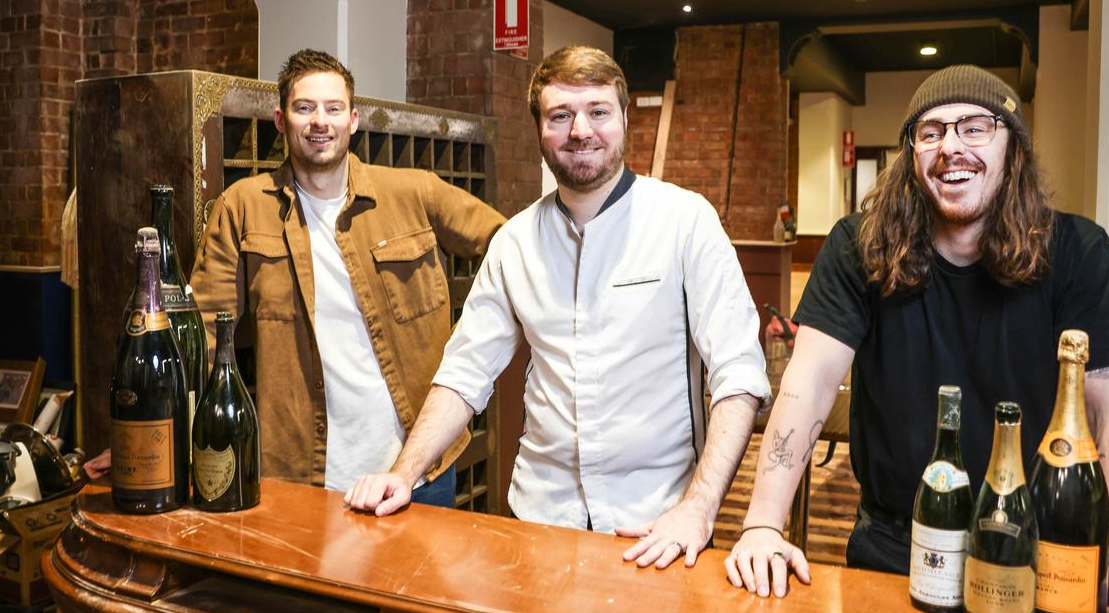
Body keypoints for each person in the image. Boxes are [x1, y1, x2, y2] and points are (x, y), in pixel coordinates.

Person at [727, 65, 1109, 613]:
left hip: (1034, 560)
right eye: (929, 132)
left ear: (1013, 146)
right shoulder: (858, 245)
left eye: (974, 127)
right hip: (893, 548)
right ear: (911, 155)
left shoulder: (1079, 253)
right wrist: (763, 525)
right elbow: (807, 387)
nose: (950, 146)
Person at [346, 46, 771, 569]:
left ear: (622, 118)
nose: (581, 131)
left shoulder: (686, 222)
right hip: (540, 521)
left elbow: (738, 375)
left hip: (656, 526)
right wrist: (403, 472)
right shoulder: (516, 241)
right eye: (561, 116)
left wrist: (699, 509)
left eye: (597, 111)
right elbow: (465, 372)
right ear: (539, 130)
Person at [178, 49, 503, 500]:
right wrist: (164, 431)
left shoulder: (413, 192)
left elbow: (510, 249)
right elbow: (205, 336)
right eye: (304, 108)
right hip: (299, 475)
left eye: (333, 109)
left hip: (418, 466)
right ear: (280, 119)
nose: (319, 122)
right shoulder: (243, 206)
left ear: (353, 119)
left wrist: (478, 335)